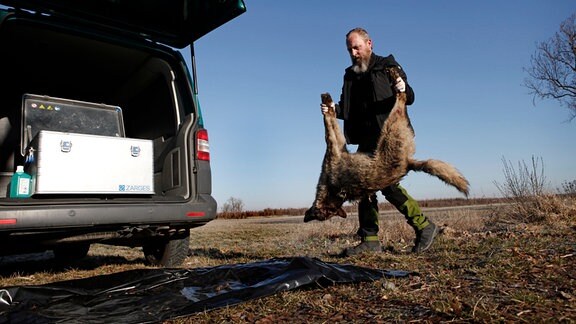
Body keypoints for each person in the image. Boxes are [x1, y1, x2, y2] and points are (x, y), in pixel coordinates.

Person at [321, 27, 438, 256]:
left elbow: (410, 96)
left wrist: (403, 88)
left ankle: (424, 226)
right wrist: (332, 109)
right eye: (349, 49)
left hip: (391, 137)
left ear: (369, 44)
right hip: (366, 139)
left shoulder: (387, 66)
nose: (353, 53)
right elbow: (347, 109)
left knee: (387, 184)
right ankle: (370, 240)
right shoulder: (350, 75)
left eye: (356, 47)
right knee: (364, 186)